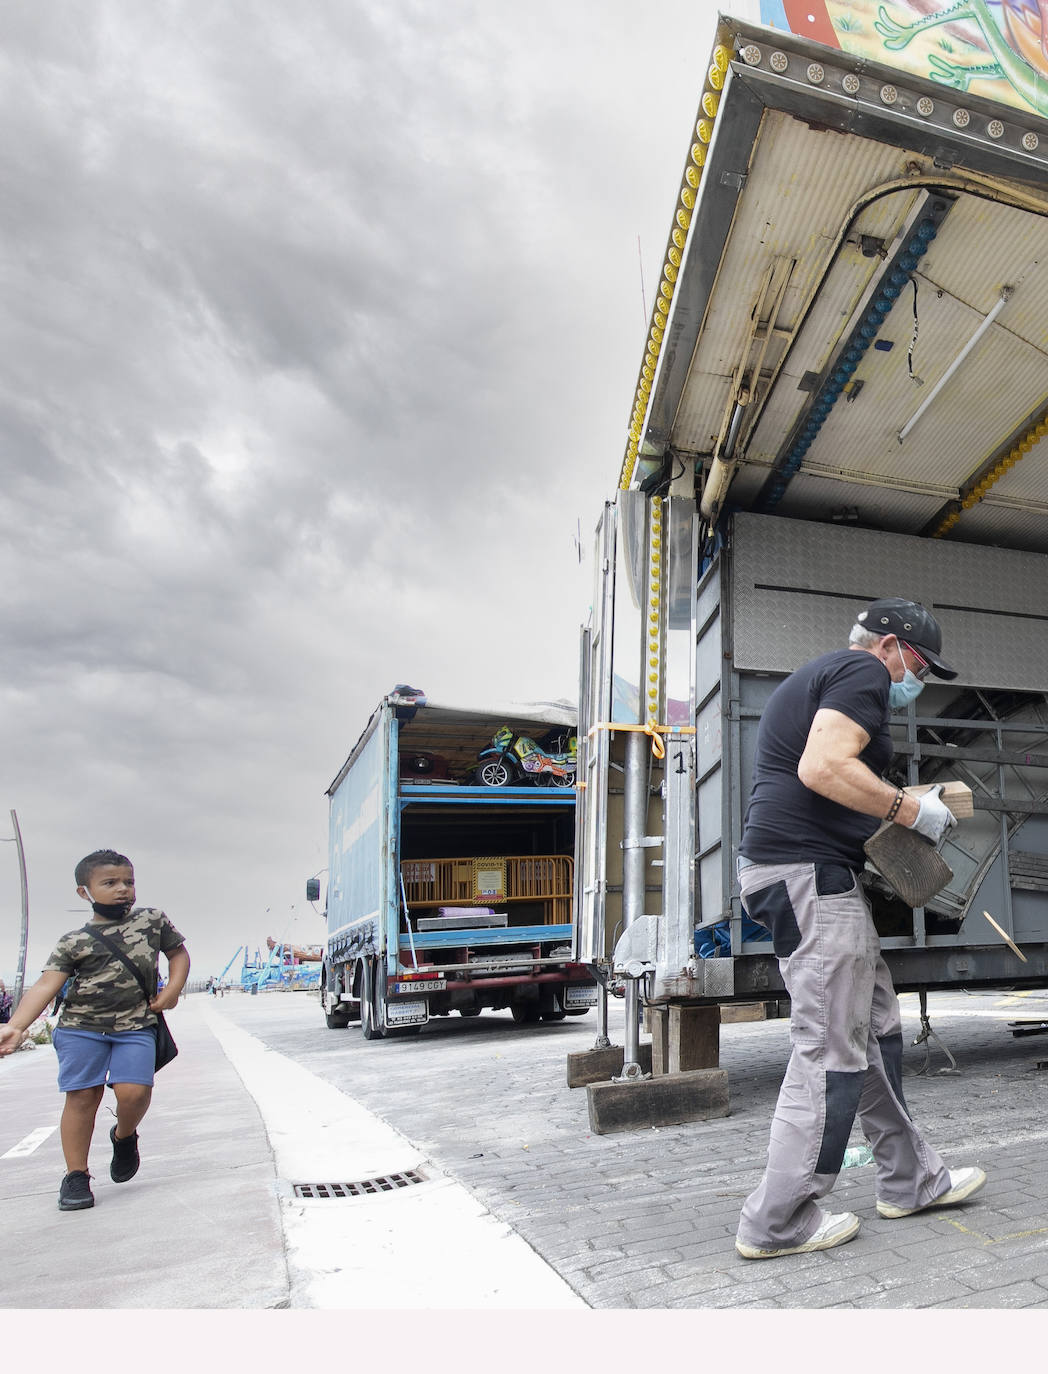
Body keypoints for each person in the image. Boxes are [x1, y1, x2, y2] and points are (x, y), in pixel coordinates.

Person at [733, 598, 986, 1260]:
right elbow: (821, 768)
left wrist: (907, 813)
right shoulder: (861, 672)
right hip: (806, 878)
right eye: (920, 666)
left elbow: (828, 783)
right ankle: (778, 1220)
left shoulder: (827, 680)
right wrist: (909, 808)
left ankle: (910, 1181)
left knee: (874, 1035)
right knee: (828, 1047)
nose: (918, 682)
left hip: (817, 877)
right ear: (891, 646)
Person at [0, 848, 190, 1212]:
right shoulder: (74, 941)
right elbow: (45, 985)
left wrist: (172, 990)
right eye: (110, 883)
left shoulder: (152, 921)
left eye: (128, 882)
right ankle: (76, 1175)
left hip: (136, 1025)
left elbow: (178, 953)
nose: (123, 889)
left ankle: (124, 1136)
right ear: (84, 892)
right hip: (80, 1028)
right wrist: (16, 1027)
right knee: (82, 1098)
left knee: (134, 1093)